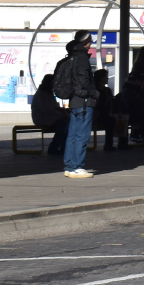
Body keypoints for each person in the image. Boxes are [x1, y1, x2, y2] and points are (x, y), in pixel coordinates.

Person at [62, 30, 98, 178]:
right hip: (84, 100)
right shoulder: (82, 57)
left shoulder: (72, 56)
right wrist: (95, 93)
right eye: (90, 40)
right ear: (86, 42)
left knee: (72, 135)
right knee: (82, 135)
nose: (91, 43)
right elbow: (84, 80)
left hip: (74, 100)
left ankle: (69, 166)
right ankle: (77, 166)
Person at [30, 71, 69, 154]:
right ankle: (54, 147)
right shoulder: (42, 94)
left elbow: (52, 108)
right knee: (64, 124)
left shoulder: (47, 93)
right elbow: (48, 110)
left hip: (49, 117)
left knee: (66, 123)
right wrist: (62, 114)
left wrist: (62, 111)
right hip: (43, 118)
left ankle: (63, 148)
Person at [92, 69, 119, 151]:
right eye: (106, 77)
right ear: (101, 78)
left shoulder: (107, 90)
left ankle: (120, 143)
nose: (107, 79)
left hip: (106, 113)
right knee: (110, 120)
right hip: (98, 114)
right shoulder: (95, 91)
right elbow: (98, 105)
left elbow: (113, 103)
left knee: (118, 118)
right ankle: (108, 144)